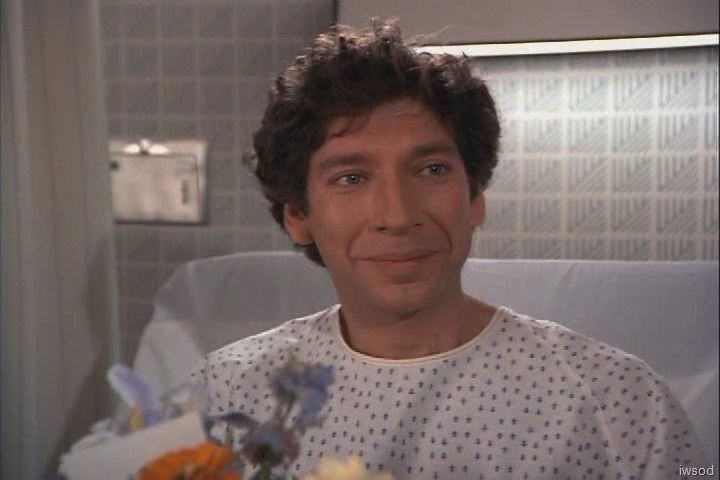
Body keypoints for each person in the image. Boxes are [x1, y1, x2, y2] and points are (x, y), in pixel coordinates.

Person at [193, 19, 707, 479]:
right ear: (298, 216)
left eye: (432, 169)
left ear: (474, 196)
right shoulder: (227, 396)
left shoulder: (618, 399)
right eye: (351, 178)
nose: (398, 216)